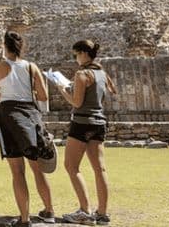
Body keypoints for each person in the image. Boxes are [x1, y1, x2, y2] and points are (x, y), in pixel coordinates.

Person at [0, 31, 55, 226]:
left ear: (4, 46)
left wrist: (4, 91)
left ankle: (24, 219)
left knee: (17, 171)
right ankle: (49, 211)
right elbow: (43, 96)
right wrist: (25, 91)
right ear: (21, 47)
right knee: (37, 167)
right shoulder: (32, 67)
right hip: (31, 116)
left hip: (9, 117)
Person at [58, 40, 117, 226]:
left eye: (76, 54)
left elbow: (76, 103)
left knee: (71, 166)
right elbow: (111, 91)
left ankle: (85, 211)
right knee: (100, 169)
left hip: (82, 123)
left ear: (83, 53)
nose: (75, 58)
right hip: (99, 123)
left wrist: (62, 90)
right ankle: (103, 213)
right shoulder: (102, 73)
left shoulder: (82, 74)